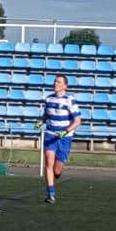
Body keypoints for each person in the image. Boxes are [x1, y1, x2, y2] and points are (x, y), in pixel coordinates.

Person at [38, 74, 81, 203]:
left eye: (59, 82)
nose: (55, 84)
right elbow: (46, 115)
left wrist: (65, 131)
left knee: (57, 170)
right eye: (55, 81)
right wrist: (41, 122)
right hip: (50, 134)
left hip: (65, 137)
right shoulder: (49, 99)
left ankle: (56, 175)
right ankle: (51, 194)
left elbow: (77, 121)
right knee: (48, 162)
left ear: (65, 86)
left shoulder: (70, 100)